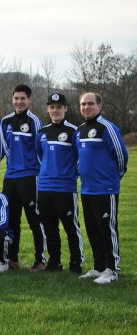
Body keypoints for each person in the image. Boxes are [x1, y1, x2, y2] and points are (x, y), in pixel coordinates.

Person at [76, 92, 128, 284]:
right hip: (87, 190)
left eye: (90, 104)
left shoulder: (108, 127)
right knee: (93, 230)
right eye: (83, 104)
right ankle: (98, 267)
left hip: (105, 190)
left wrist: (114, 178)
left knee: (107, 230)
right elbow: (80, 158)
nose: (86, 107)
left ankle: (112, 269)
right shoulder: (79, 130)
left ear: (99, 106)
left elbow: (122, 156)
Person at [36, 93, 84, 274]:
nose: (55, 110)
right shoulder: (42, 133)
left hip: (65, 188)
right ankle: (54, 262)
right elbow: (39, 156)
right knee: (49, 228)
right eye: (52, 107)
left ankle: (76, 263)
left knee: (71, 228)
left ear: (65, 109)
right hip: (45, 188)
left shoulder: (74, 131)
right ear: (48, 109)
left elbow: (81, 158)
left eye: (59, 107)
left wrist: (69, 175)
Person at [1, 84, 46, 271]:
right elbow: (4, 147)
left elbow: (41, 150)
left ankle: (40, 259)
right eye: (16, 98)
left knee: (34, 219)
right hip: (10, 177)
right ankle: (13, 259)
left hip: (30, 176)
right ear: (12, 99)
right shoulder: (6, 121)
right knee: (11, 220)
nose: (19, 102)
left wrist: (37, 170)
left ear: (30, 100)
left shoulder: (34, 121)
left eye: (23, 98)